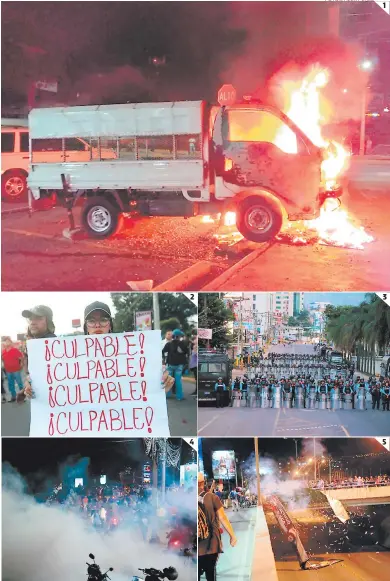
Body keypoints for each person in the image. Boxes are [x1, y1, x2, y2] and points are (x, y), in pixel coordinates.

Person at [198, 473, 237, 581]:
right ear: (203, 483)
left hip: (193, 546)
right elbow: (223, 518)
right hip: (211, 545)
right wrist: (232, 536)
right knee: (210, 573)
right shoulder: (212, 497)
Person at [17, 305, 57, 402]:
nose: (33, 322)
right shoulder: (35, 344)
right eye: (30, 319)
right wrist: (25, 388)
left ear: (48, 322)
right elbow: (38, 373)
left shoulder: (52, 344)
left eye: (38, 318)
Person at [162, 329, 188, 401]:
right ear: (179, 336)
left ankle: (167, 394)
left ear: (173, 336)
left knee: (169, 379)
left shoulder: (169, 344)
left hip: (170, 364)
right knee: (178, 380)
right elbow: (186, 352)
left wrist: (164, 359)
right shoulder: (183, 344)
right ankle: (179, 396)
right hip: (179, 365)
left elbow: (163, 351)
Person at [1, 337, 24, 402]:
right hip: (8, 370)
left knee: (19, 383)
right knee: (10, 384)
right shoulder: (4, 351)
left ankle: (21, 397)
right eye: (5, 341)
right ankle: (13, 397)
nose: (7, 343)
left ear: (11, 343)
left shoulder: (15, 350)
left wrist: (21, 365)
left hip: (16, 370)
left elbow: (21, 358)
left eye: (8, 341)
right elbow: (3, 359)